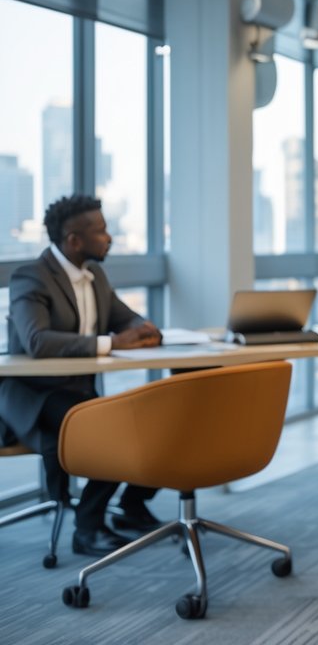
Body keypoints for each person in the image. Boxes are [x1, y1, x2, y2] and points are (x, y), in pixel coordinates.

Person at [0, 195, 164, 556]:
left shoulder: (95, 277)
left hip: (78, 395)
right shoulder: (32, 277)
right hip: (34, 397)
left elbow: (124, 318)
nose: (109, 237)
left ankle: (131, 506)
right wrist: (111, 342)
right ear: (74, 240)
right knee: (117, 430)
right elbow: (37, 341)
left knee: (153, 421)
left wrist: (143, 329)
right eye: (101, 230)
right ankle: (88, 529)